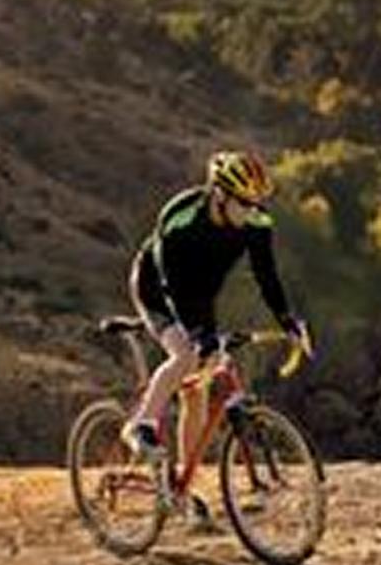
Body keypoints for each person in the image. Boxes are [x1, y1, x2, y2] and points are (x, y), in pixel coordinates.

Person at [121, 151, 309, 492]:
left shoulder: (256, 222)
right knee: (185, 356)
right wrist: (198, 334)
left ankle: (181, 487)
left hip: (199, 295)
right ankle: (140, 425)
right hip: (158, 288)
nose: (252, 211)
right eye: (244, 203)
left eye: (256, 203)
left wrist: (288, 319)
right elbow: (170, 282)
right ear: (220, 195)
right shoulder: (182, 218)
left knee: (197, 393)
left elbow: (267, 277)